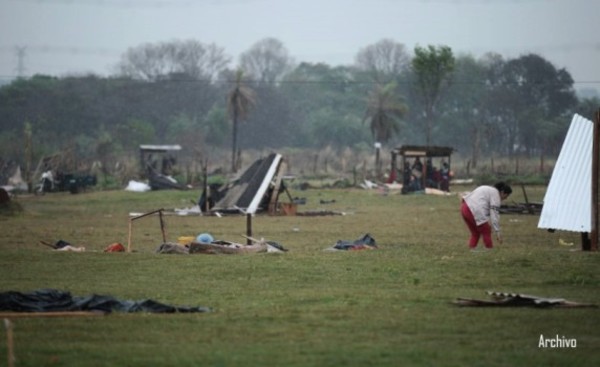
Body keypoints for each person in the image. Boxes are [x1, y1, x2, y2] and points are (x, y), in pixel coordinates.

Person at [460, 182, 512, 250]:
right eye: (506, 195)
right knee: (486, 230)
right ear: (502, 192)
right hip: (473, 210)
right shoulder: (496, 195)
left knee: (475, 232)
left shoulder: (487, 188)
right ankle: (489, 249)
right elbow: (494, 214)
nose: (506, 198)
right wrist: (498, 232)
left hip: (464, 207)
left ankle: (471, 248)